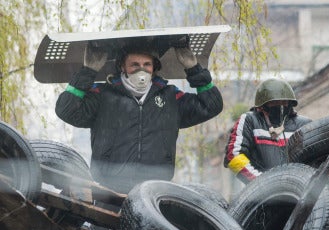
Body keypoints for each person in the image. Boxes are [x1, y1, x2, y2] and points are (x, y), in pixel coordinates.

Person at [55, 39, 223, 194]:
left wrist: (193, 68)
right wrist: (88, 71)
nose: (141, 69)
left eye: (146, 64)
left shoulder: (170, 97)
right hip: (108, 191)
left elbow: (211, 105)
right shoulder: (102, 95)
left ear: (154, 67)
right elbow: (66, 110)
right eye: (134, 64)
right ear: (122, 67)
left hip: (154, 192)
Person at [224, 78, 311, 184]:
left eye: (284, 101)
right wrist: (261, 183)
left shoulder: (304, 124)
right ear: (262, 106)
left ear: (290, 103)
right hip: (261, 194)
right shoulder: (250, 121)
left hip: (301, 190)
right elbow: (233, 155)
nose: (280, 105)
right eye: (274, 102)